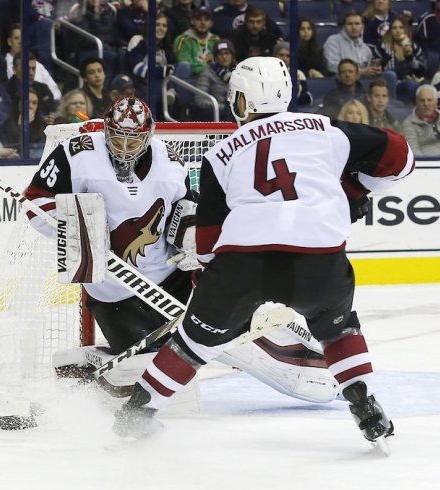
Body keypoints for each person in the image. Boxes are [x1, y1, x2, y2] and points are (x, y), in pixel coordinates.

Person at [112, 57, 413, 450]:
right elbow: (402, 158)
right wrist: (356, 190)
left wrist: (212, 294)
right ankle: (366, 405)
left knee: (193, 343)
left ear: (244, 101)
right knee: (337, 327)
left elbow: (206, 245)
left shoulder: (220, 154)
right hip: (319, 257)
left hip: (243, 261)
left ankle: (137, 414)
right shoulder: (328, 131)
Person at [26, 95, 340, 405]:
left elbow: (187, 206)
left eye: (132, 140)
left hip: (170, 277)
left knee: (231, 329)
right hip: (114, 291)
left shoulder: (169, 158)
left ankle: (315, 361)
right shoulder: (76, 153)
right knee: (163, 385)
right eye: (117, 138)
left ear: (148, 136)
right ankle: (89, 362)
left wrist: (190, 236)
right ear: (106, 130)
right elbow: (35, 202)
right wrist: (77, 230)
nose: (123, 148)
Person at [173, 6, 219, 78]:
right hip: (190, 79)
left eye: (206, 19)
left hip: (212, 80)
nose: (203, 23)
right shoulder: (182, 39)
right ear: (192, 21)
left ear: (211, 23)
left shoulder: (216, 40)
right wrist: (208, 70)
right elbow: (185, 64)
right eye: (199, 19)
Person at [400, 84, 440, 156]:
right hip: (427, 163)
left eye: (429, 100)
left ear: (436, 103)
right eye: (422, 100)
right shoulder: (408, 124)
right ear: (417, 103)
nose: (426, 103)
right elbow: (414, 151)